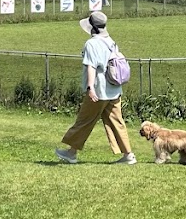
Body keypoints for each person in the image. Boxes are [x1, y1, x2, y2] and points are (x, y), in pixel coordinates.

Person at [54, 10, 134, 165]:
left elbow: (91, 66)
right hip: (114, 90)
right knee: (117, 122)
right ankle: (128, 155)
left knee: (84, 121)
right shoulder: (111, 41)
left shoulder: (91, 44)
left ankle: (71, 153)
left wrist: (90, 87)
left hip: (99, 90)